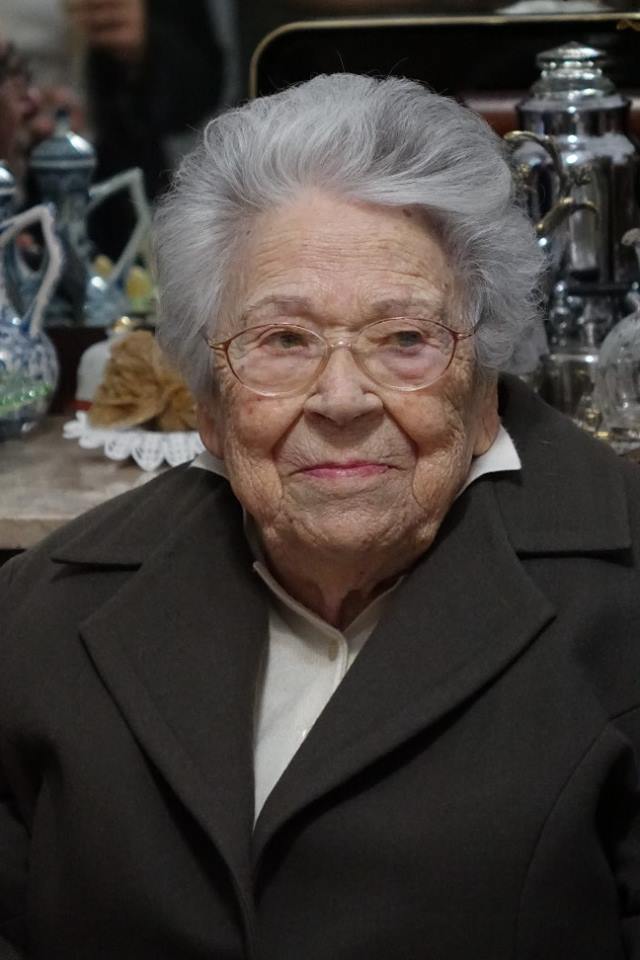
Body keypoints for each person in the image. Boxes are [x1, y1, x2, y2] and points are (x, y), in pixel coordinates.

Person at [2, 73, 640, 959]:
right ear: (210, 404)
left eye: (405, 339)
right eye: (284, 340)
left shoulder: (620, 606)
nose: (342, 399)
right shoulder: (38, 618)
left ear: (484, 386)